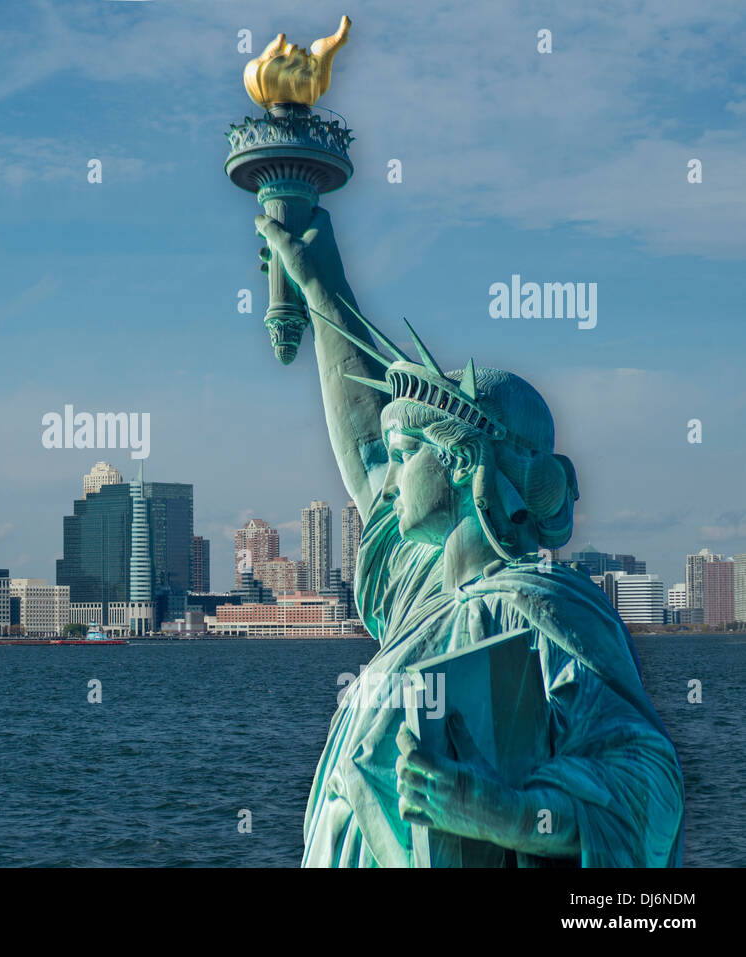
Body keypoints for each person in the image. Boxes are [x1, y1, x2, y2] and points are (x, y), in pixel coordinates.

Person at [254, 208, 684, 867]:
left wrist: (500, 813)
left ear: (460, 461)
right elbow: (367, 451)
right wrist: (320, 290)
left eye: (406, 454)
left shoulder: (542, 605)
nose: (389, 480)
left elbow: (648, 785)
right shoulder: (427, 593)